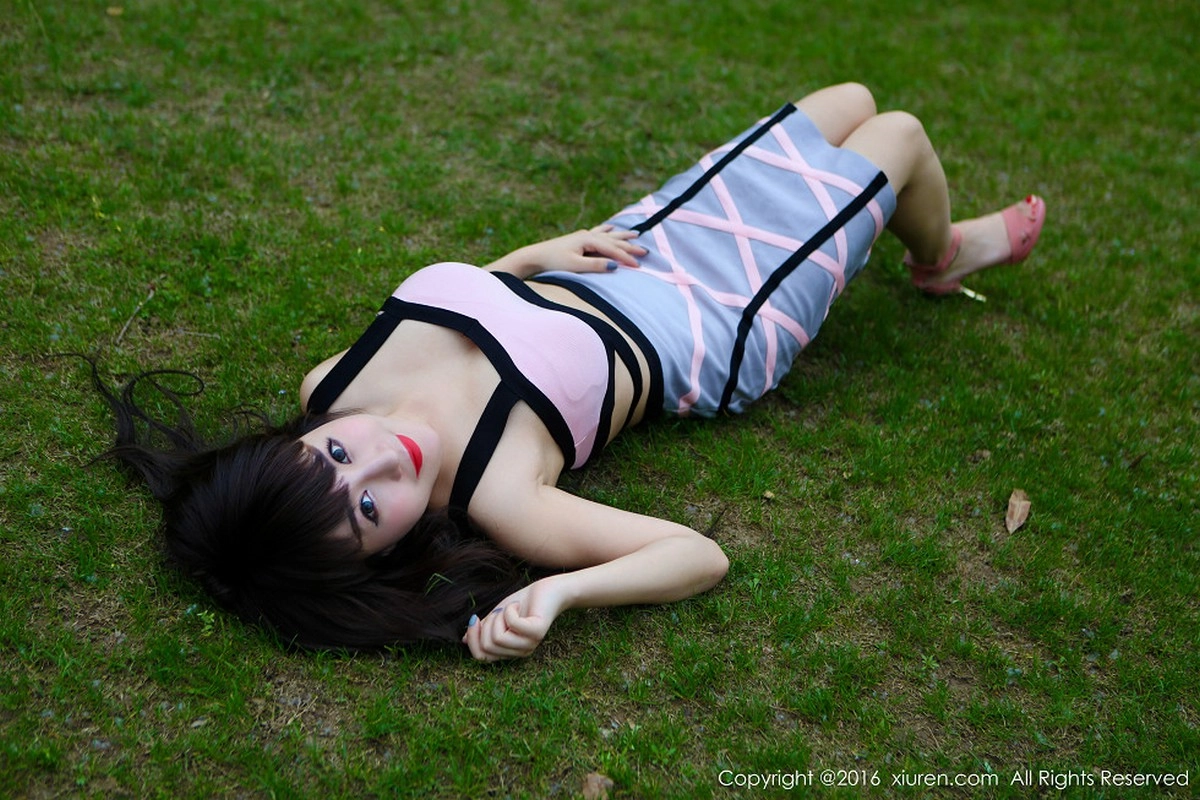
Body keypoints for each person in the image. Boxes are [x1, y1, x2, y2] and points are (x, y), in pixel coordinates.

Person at [93, 83, 1045, 661]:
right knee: (899, 134)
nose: (384, 457)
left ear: (296, 438)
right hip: (716, 312)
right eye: (372, 509)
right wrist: (556, 592)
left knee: (848, 101)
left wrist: (534, 256)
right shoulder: (500, 492)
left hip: (627, 249)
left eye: (336, 457)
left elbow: (468, 306)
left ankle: (925, 237)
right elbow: (697, 555)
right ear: (388, 552)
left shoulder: (331, 385)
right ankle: (942, 255)